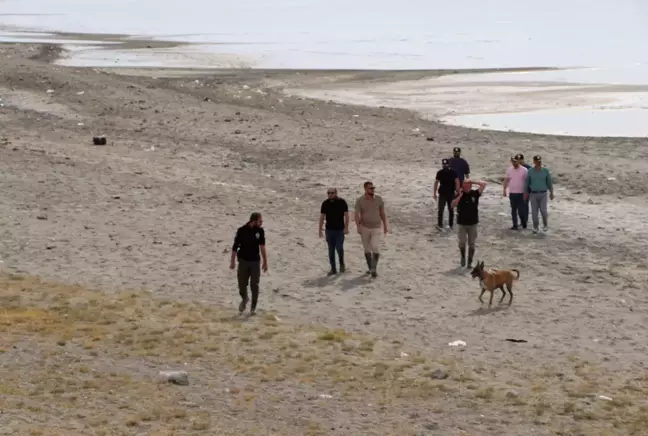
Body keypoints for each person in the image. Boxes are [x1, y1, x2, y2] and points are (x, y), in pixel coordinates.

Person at [230, 212, 268, 315]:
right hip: (243, 261)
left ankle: (253, 308)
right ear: (253, 221)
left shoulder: (260, 231)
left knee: (254, 285)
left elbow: (262, 247)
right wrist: (232, 261)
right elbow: (235, 247)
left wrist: (265, 261)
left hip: (255, 262)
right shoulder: (242, 231)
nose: (261, 223)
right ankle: (245, 298)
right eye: (260, 221)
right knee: (242, 284)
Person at [354, 181, 388, 278]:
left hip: (376, 227)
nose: (373, 190)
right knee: (367, 249)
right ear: (365, 189)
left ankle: (373, 269)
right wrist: (358, 227)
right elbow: (356, 214)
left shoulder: (378, 199)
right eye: (370, 188)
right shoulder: (360, 200)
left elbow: (382, 213)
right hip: (364, 227)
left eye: (373, 188)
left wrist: (385, 225)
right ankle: (370, 268)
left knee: (375, 247)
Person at [452, 179, 486, 268]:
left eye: (468, 185)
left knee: (472, 243)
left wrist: (472, 181)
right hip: (462, 223)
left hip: (473, 223)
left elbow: (484, 184)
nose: (466, 187)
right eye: (465, 185)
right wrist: (460, 196)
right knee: (462, 242)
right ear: (462, 186)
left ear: (470, 186)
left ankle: (470, 262)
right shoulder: (458, 194)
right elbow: (452, 205)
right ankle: (463, 257)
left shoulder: (475, 193)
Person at [318, 187, 349, 275]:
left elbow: (346, 216)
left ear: (336, 193)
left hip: (339, 230)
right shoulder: (325, 203)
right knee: (331, 250)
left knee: (339, 248)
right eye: (328, 193)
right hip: (329, 230)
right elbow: (322, 217)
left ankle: (342, 263)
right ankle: (333, 269)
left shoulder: (342, 202)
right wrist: (320, 229)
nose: (330, 195)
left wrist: (346, 228)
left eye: (332, 193)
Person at [524, 155, 554, 234]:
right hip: (533, 194)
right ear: (534, 162)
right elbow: (527, 183)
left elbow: (549, 182)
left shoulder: (545, 171)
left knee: (543, 211)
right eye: (537, 161)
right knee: (534, 212)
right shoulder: (530, 171)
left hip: (543, 193)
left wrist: (551, 192)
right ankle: (535, 226)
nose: (538, 163)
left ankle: (545, 224)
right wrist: (525, 193)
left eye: (540, 161)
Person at [503, 156, 529, 230]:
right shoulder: (509, 170)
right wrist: (504, 189)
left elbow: (527, 181)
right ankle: (515, 225)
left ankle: (523, 223)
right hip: (512, 193)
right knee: (513, 209)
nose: (514, 163)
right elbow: (506, 180)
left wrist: (526, 191)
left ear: (519, 161)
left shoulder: (524, 170)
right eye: (513, 161)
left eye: (516, 161)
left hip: (521, 193)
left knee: (521, 210)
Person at [433, 158, 460, 231]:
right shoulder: (440, 173)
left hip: (451, 193)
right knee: (441, 209)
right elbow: (436, 182)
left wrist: (457, 191)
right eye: (444, 164)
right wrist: (434, 193)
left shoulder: (453, 172)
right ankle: (440, 224)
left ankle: (450, 225)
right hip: (442, 194)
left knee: (451, 209)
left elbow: (457, 181)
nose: (445, 165)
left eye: (446, 164)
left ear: (449, 164)